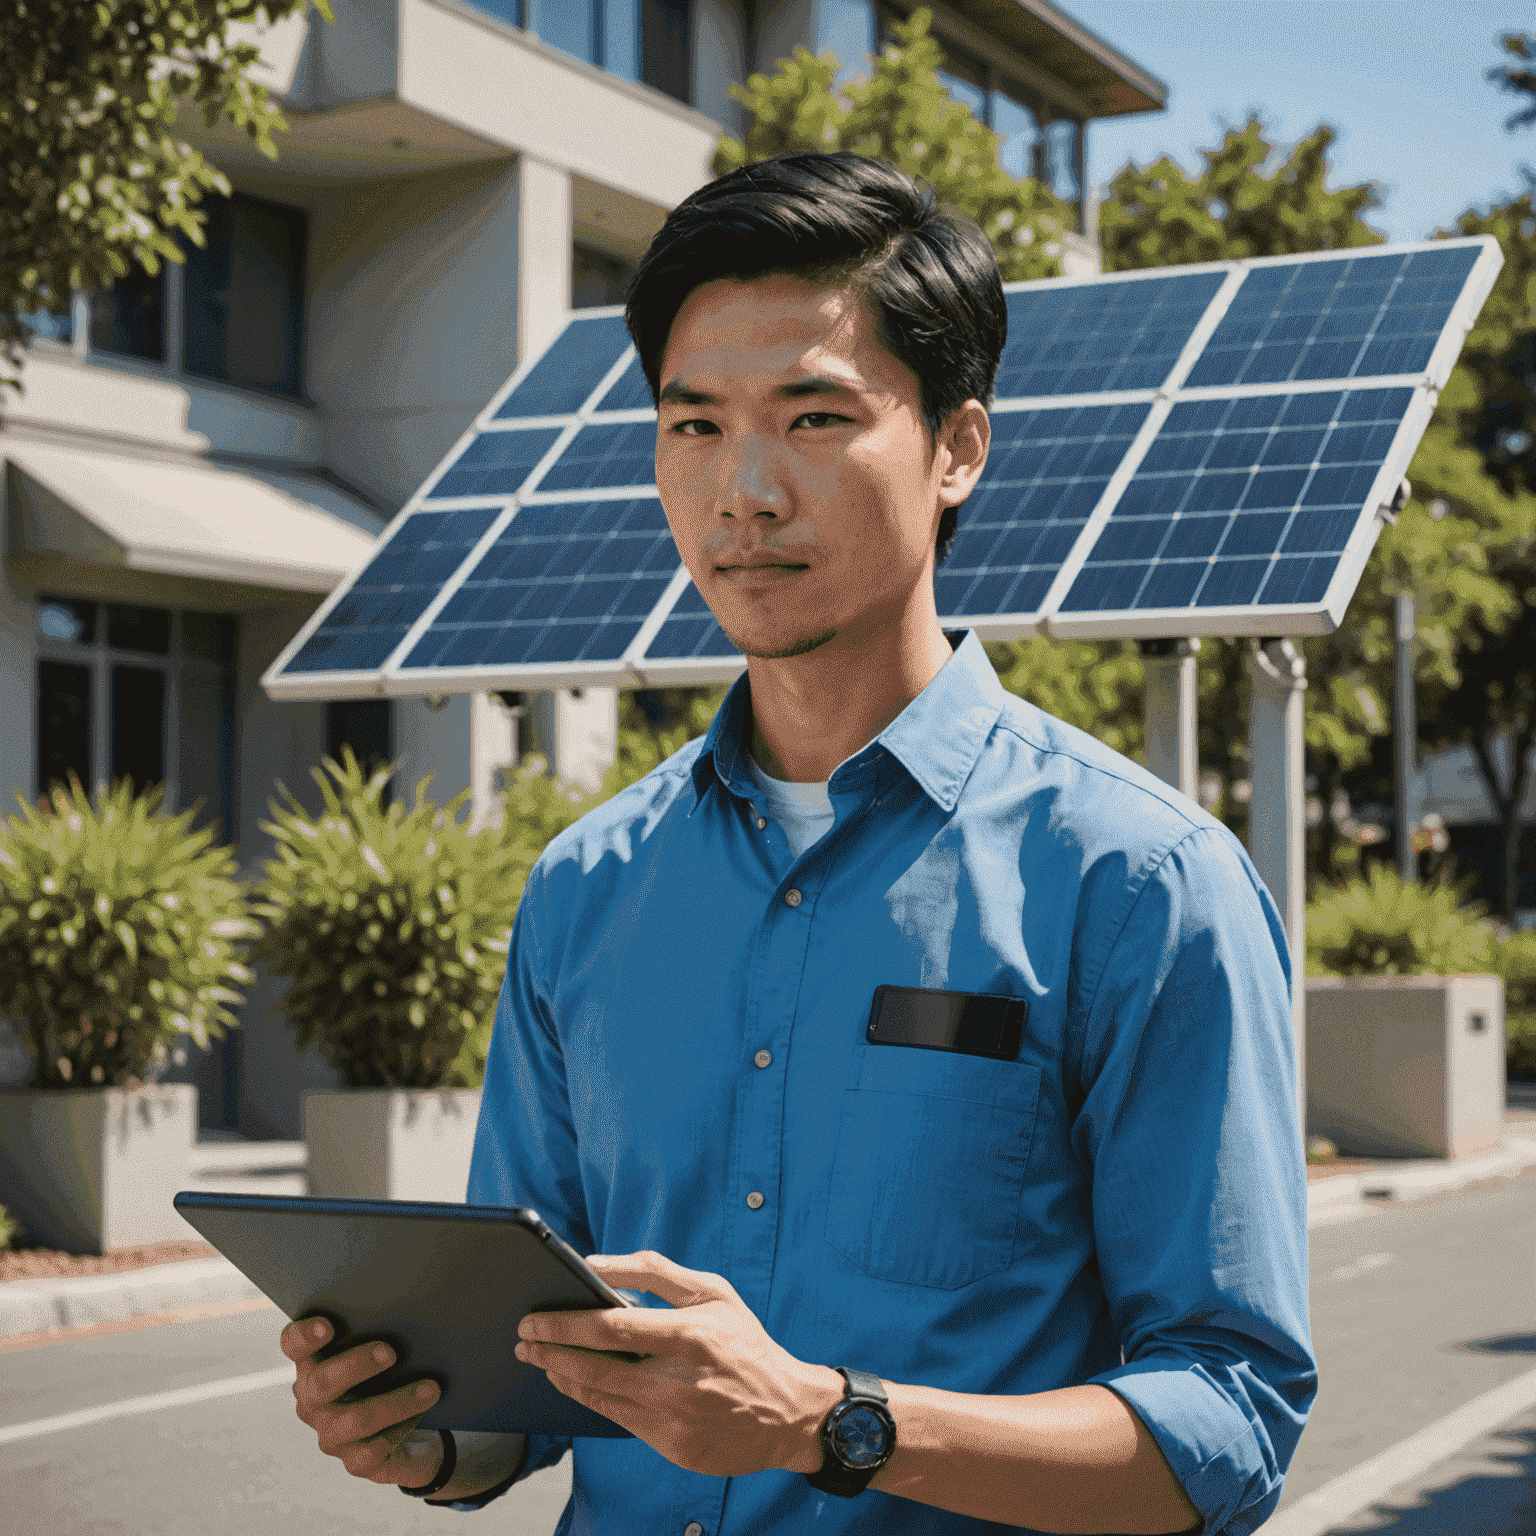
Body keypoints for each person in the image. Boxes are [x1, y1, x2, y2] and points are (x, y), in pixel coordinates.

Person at [283, 151, 1315, 1534]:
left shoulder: (1142, 885)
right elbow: (532, 1371)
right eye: (693, 425)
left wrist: (835, 1426)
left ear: (957, 447)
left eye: (815, 418)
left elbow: (1231, 1418)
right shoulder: (586, 888)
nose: (743, 493)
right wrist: (429, 1434)